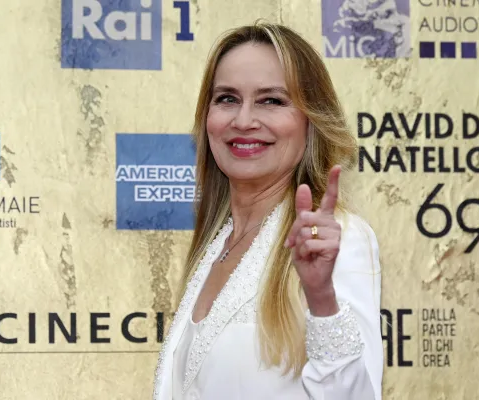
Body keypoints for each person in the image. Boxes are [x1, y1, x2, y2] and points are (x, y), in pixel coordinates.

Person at [153, 21, 383, 400]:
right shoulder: (217, 243)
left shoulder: (336, 238)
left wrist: (321, 298)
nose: (243, 121)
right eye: (227, 98)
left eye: (271, 101)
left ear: (311, 120)